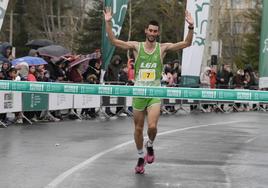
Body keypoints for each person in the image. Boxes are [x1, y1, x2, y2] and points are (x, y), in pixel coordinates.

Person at [104, 7, 194, 174]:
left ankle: (150, 145)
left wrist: (190, 27)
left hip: (154, 93)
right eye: (150, 30)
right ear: (146, 31)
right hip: (139, 93)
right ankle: (140, 157)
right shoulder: (137, 47)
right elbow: (114, 41)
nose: (152, 33)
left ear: (158, 33)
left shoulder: (162, 48)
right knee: (138, 129)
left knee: (152, 127)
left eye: (155, 31)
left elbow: (186, 43)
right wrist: (108, 22)